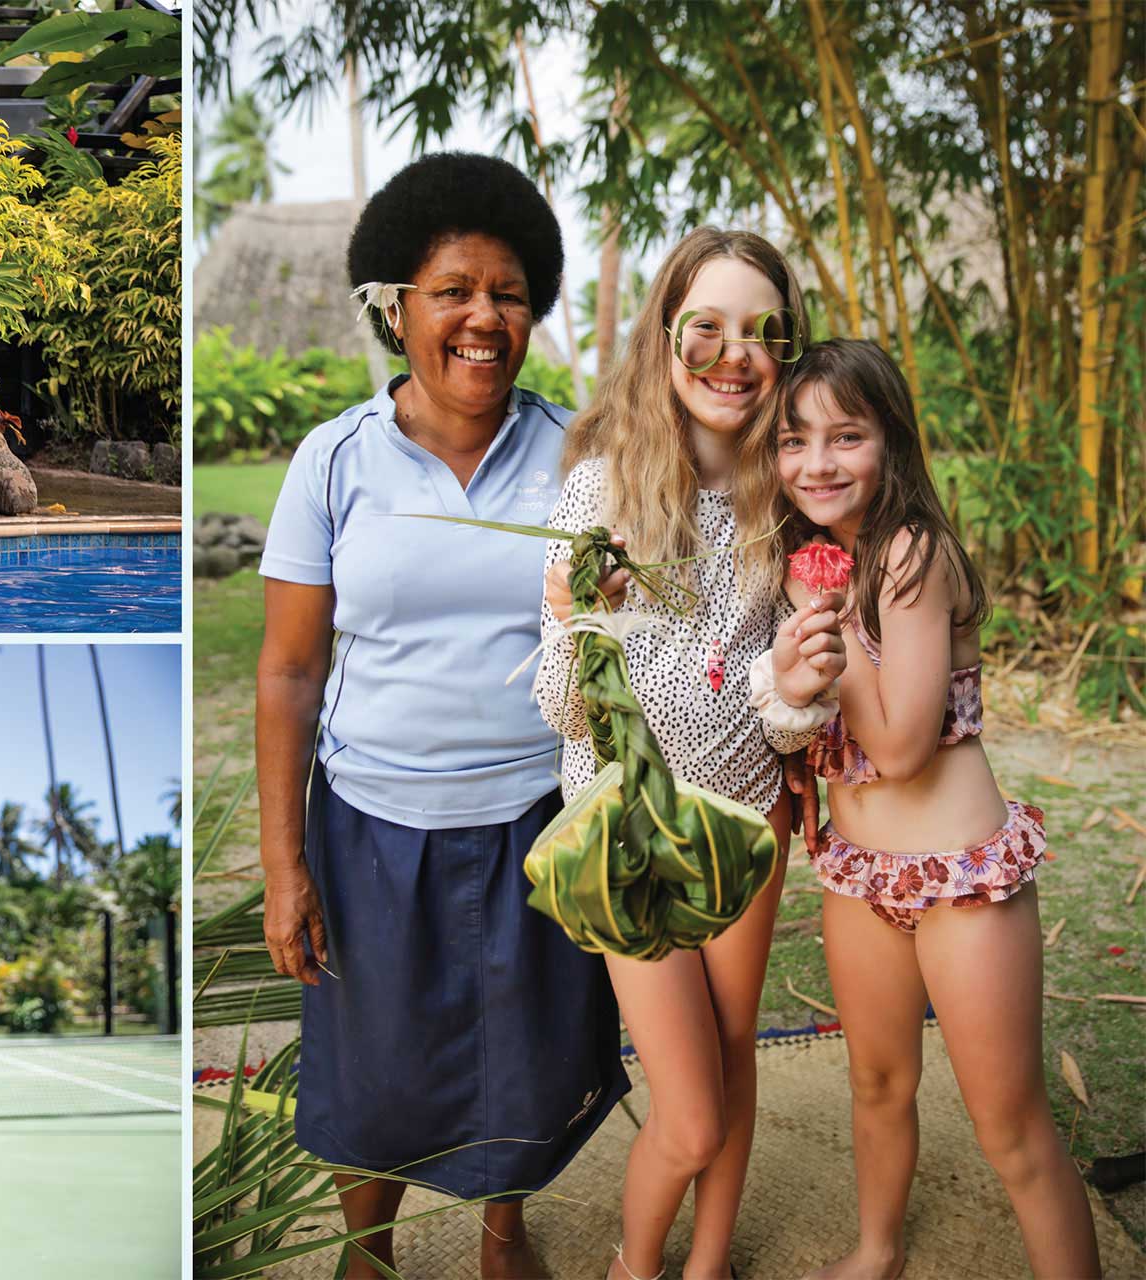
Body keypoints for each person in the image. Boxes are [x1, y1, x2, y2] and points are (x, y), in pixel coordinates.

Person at [256, 152, 628, 1280]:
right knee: (372, 1067)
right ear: (396, 306)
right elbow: (285, 673)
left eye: (508, 293)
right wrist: (285, 865)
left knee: (524, 1062)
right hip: (371, 822)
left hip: (537, 816)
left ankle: (501, 1235)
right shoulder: (333, 461)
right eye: (453, 289)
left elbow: (627, 639)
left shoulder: (578, 456)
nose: (483, 317)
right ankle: (366, 1251)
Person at [532, 227, 845, 1280]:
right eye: (704, 326)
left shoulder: (786, 502)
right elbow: (563, 713)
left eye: (761, 331)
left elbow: (781, 717)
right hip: (629, 835)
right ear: (663, 339)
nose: (732, 352)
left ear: (785, 349)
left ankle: (706, 1264)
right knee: (694, 1111)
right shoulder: (599, 493)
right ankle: (634, 1263)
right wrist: (583, 626)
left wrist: (800, 692)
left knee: (732, 1055)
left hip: (746, 823)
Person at [753, 341, 1101, 1280]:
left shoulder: (909, 554)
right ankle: (877, 1249)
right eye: (794, 441)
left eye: (846, 436)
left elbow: (903, 747)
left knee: (1011, 1124)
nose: (817, 463)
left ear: (890, 442)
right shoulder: (814, 556)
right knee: (875, 1083)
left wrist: (819, 608)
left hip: (958, 877)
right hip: (862, 876)